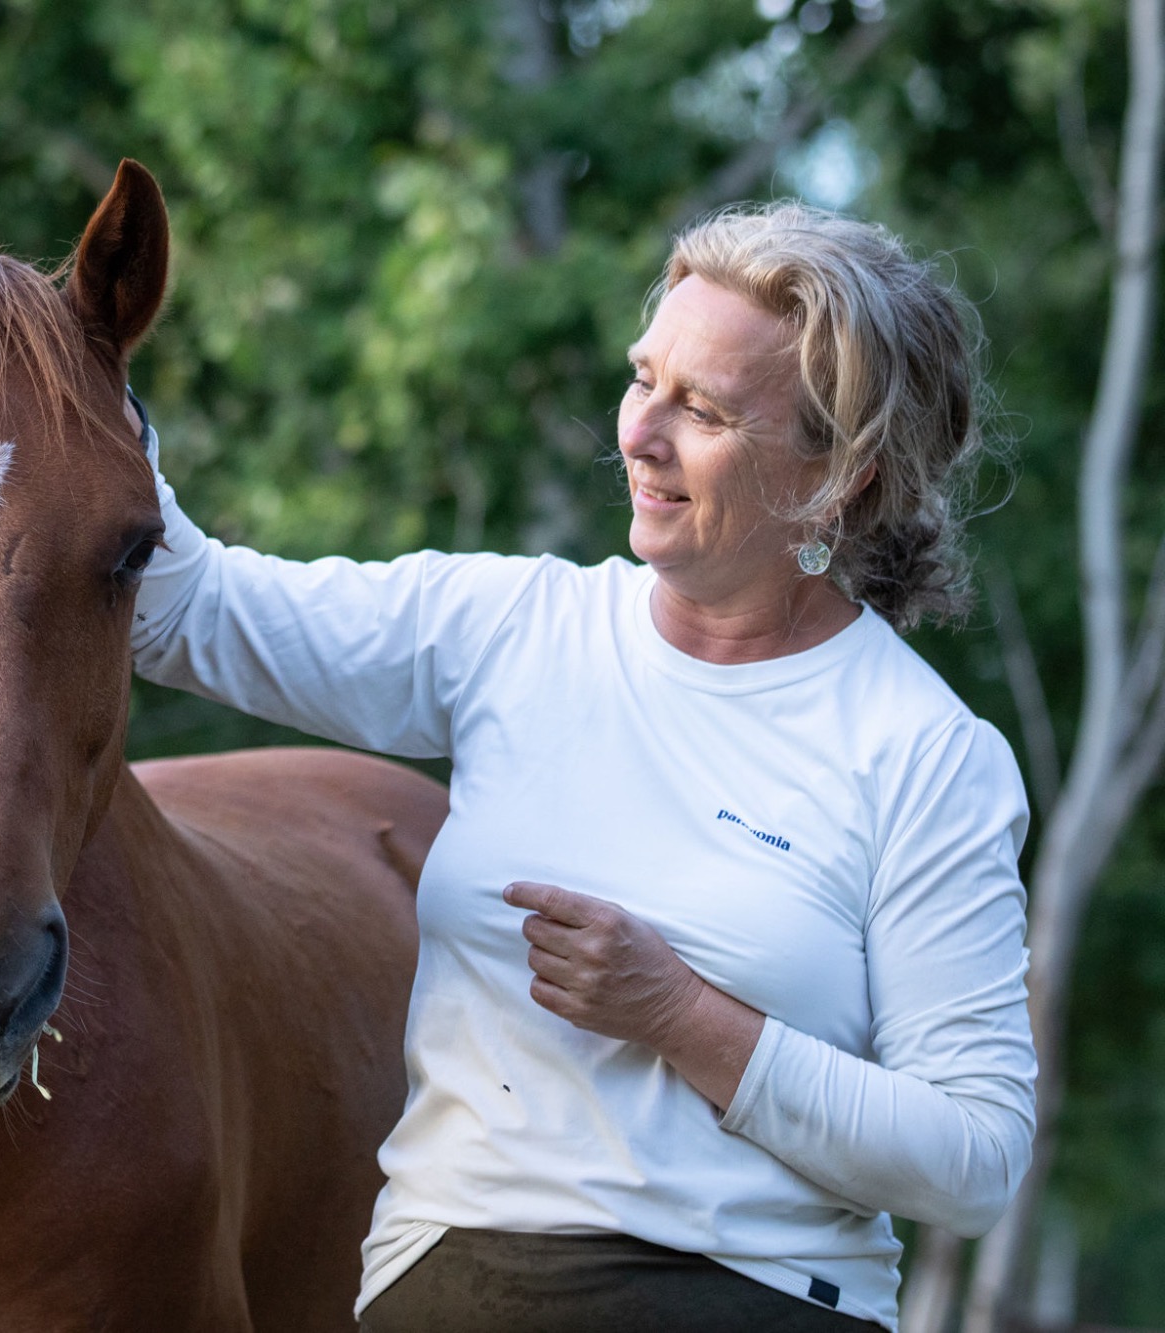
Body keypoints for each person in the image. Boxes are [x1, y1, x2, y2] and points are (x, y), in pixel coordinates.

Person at [125, 202, 1035, 1332]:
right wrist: (79, 377)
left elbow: (973, 1158)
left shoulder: (926, 754)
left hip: (751, 1300)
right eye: (642, 378)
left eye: (703, 409)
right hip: (449, 1289)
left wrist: (681, 1015)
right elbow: (185, 611)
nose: (640, 433)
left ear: (837, 477)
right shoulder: (511, 627)